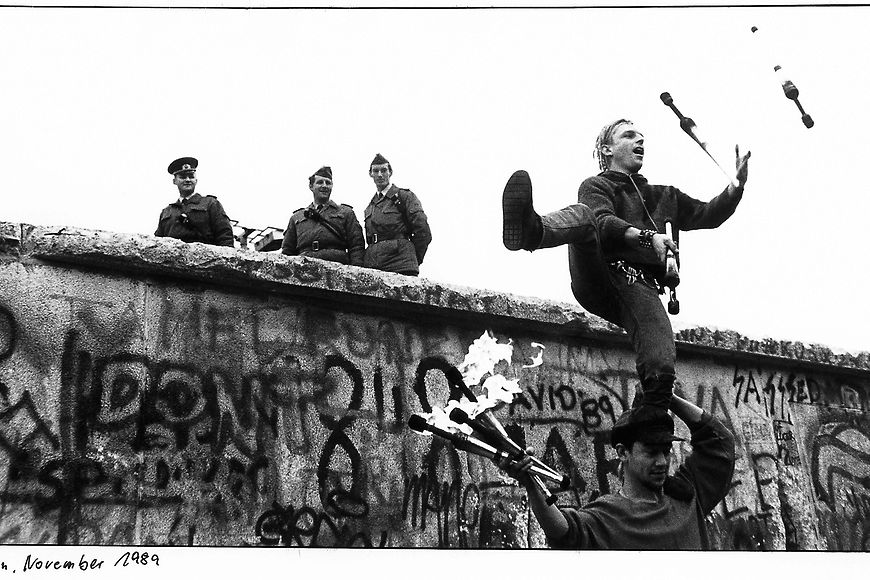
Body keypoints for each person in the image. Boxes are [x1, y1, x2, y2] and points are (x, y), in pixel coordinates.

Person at [502, 119, 750, 411]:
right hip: (599, 276)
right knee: (585, 216)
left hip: (640, 286)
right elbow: (603, 223)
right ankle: (533, 230)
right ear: (607, 149)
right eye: (629, 135)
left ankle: (648, 422)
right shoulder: (596, 185)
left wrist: (736, 187)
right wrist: (647, 238)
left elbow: (709, 214)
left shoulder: (666, 195)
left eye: (642, 137)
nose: (640, 141)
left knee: (660, 364)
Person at [499, 394, 735, 549]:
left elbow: (720, 442)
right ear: (623, 453)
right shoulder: (607, 516)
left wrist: (667, 397)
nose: (663, 461)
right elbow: (563, 531)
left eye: (666, 451)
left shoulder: (686, 496)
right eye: (652, 452)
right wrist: (530, 482)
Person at [363, 153, 432, 276]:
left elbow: (423, 231)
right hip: (374, 266)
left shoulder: (404, 197)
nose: (380, 175)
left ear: (390, 172)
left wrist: (412, 256)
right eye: (376, 171)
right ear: (370, 174)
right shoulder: (370, 206)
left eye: (384, 170)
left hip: (401, 264)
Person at [281, 166, 365, 266]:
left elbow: (356, 247)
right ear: (311, 186)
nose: (324, 186)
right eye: (320, 182)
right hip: (305, 269)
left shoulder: (346, 213)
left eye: (328, 183)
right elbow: (287, 252)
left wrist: (355, 272)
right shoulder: (297, 217)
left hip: (337, 267)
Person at [155, 157, 235, 247]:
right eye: (182, 177)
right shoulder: (166, 212)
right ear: (175, 181)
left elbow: (225, 236)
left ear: (196, 180)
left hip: (206, 259)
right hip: (173, 259)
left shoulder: (211, 204)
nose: (188, 180)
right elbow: (158, 243)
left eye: (191, 177)